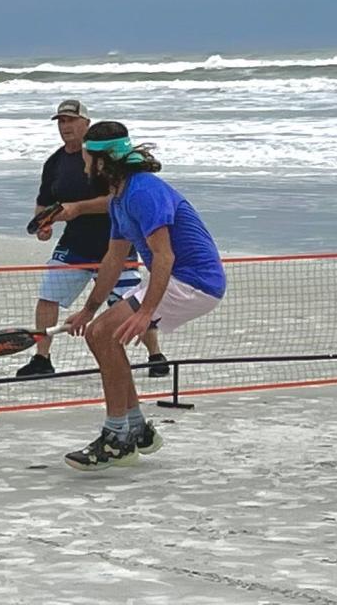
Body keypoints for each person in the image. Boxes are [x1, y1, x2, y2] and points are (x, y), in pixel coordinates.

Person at [61, 120, 226, 470]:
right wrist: (88, 310)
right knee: (98, 332)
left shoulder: (142, 192)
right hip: (175, 278)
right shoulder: (121, 197)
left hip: (194, 281)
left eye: (89, 158)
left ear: (104, 161)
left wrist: (144, 311)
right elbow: (114, 259)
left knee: (105, 334)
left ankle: (117, 437)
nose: (84, 165)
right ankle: (135, 429)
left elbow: (165, 256)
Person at [17, 99, 168, 378]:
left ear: (86, 123)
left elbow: (119, 198)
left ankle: (155, 355)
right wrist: (44, 224)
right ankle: (42, 359)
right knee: (48, 297)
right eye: (61, 121)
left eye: (71, 121)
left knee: (129, 302)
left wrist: (78, 209)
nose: (66, 127)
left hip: (117, 241)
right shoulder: (54, 163)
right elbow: (44, 203)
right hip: (74, 244)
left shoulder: (105, 160)